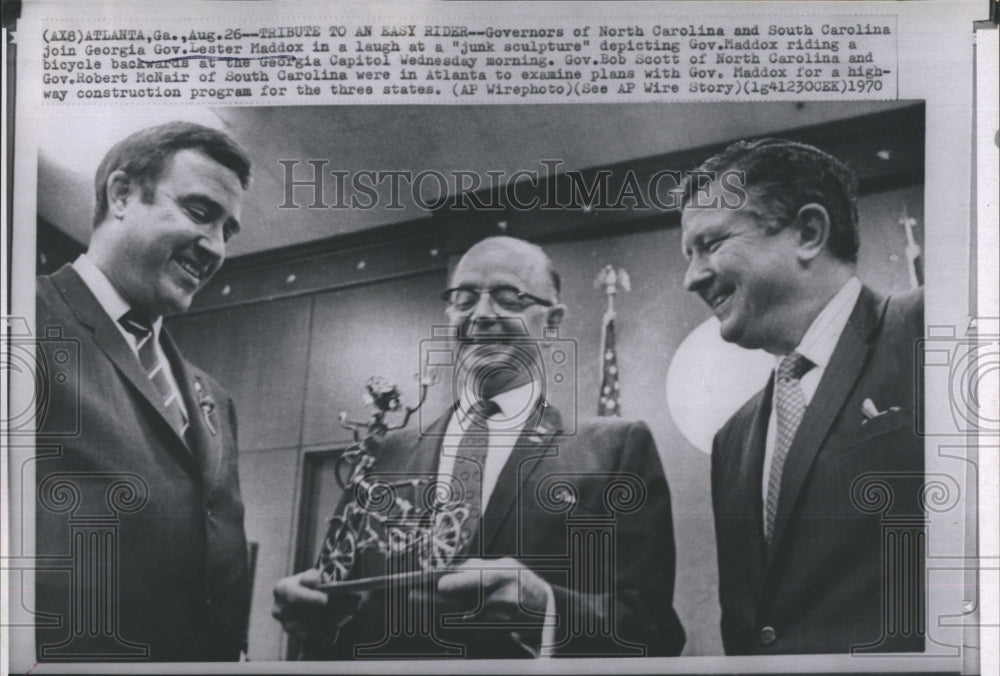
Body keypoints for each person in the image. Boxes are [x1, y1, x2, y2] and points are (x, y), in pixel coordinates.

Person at [273, 236, 685, 659]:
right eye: (464, 299)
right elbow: (338, 615)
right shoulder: (383, 455)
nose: (482, 315)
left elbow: (652, 633)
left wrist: (544, 609)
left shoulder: (615, 449)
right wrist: (315, 617)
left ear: (553, 322)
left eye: (509, 299)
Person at [680, 138, 924, 655]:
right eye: (688, 254)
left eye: (711, 244)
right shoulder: (733, 439)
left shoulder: (933, 328)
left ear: (808, 233)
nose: (691, 277)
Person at [34, 122, 253, 661]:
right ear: (122, 194)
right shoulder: (21, 317)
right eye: (201, 213)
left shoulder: (213, 398)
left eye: (228, 230)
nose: (215, 248)